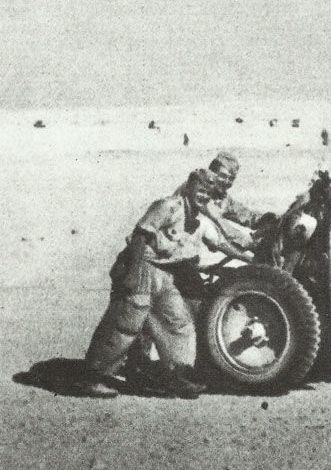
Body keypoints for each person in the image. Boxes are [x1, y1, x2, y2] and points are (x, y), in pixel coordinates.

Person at [75, 170, 254, 398]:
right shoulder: (168, 206)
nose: (203, 197)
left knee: (179, 322)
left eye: (208, 194)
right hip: (141, 266)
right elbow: (141, 235)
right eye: (200, 190)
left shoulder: (199, 221)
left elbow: (221, 244)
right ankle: (92, 377)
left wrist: (249, 259)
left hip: (164, 275)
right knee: (125, 323)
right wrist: (132, 273)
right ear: (189, 187)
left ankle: (177, 377)